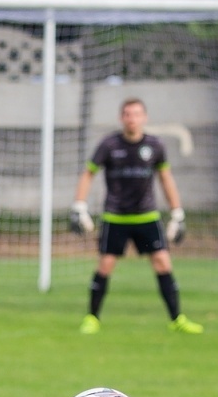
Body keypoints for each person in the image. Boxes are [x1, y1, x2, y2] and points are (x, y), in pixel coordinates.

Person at [70, 97, 203, 336]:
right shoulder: (109, 145)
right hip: (116, 218)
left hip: (146, 217)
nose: (132, 119)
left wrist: (177, 213)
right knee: (105, 265)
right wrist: (79, 206)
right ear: (122, 118)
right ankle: (92, 318)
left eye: (136, 114)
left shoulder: (155, 146)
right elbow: (88, 174)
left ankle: (177, 319)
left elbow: (166, 179)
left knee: (163, 262)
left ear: (145, 118)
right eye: (128, 114)